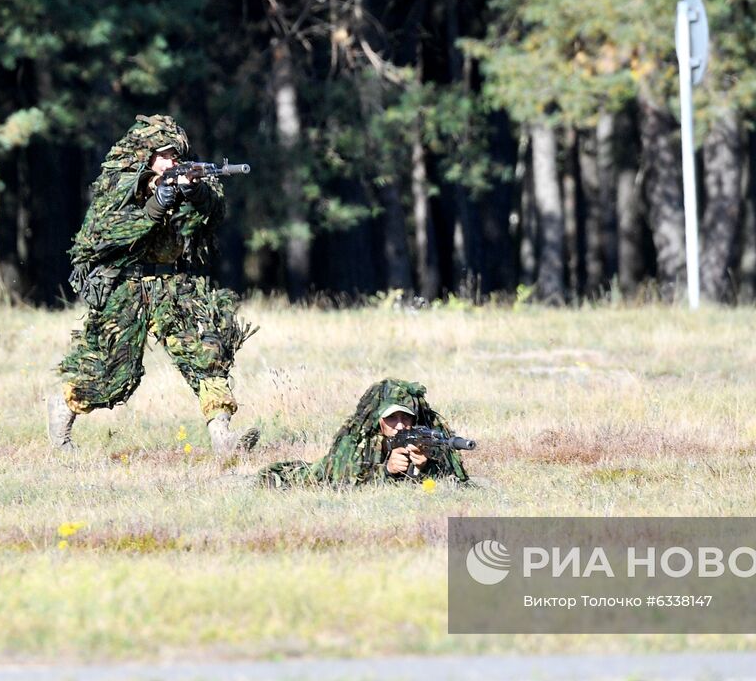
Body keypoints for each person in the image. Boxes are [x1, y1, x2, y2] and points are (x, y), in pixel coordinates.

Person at [46, 114, 257, 454]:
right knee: (111, 374)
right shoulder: (119, 187)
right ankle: (62, 407)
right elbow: (104, 234)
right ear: (146, 155)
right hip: (125, 288)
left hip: (171, 285)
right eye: (164, 154)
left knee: (206, 353)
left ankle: (223, 437)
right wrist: (156, 204)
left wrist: (195, 191)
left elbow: (214, 213)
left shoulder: (185, 179)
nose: (172, 161)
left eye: (176, 155)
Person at [258, 378, 470, 487]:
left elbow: (449, 479)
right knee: (293, 477)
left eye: (405, 417)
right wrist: (387, 470)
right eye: (391, 418)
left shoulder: (421, 434)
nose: (399, 425)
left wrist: (423, 467)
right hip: (325, 473)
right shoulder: (358, 439)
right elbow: (343, 483)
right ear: (379, 419)